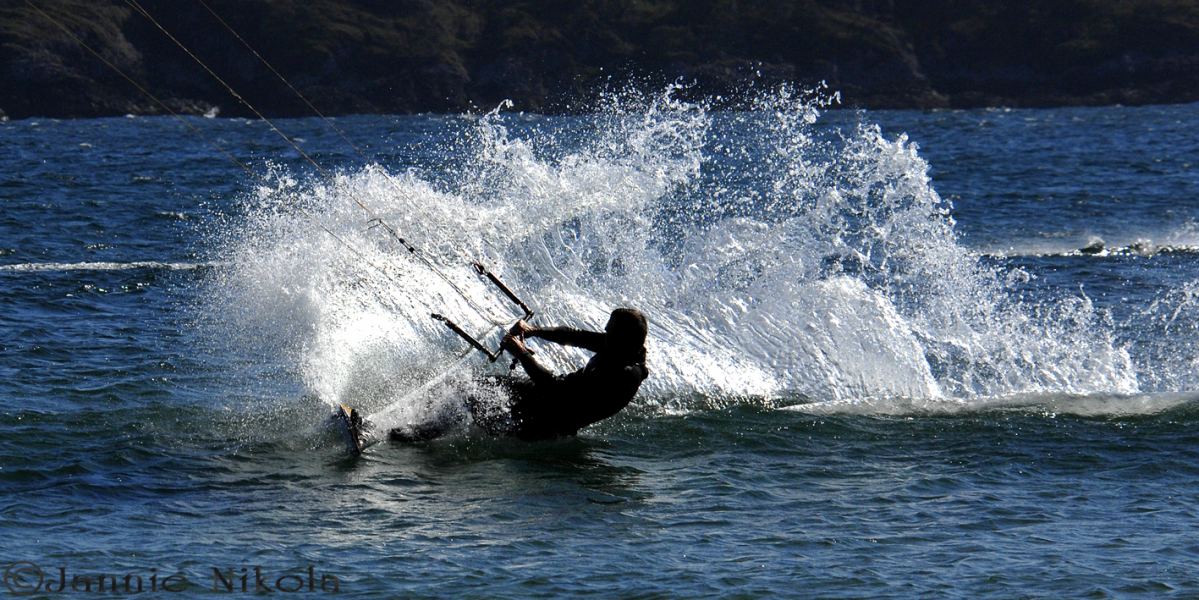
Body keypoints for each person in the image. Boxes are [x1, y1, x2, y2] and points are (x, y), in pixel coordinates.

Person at [389, 308, 649, 442]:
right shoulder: (623, 347)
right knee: (471, 385)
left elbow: (555, 389)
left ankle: (415, 435)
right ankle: (416, 422)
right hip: (544, 403)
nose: (604, 335)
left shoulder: (623, 375)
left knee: (470, 395)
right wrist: (534, 330)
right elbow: (574, 336)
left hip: (543, 421)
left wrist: (521, 352)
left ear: (623, 338)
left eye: (609, 332)